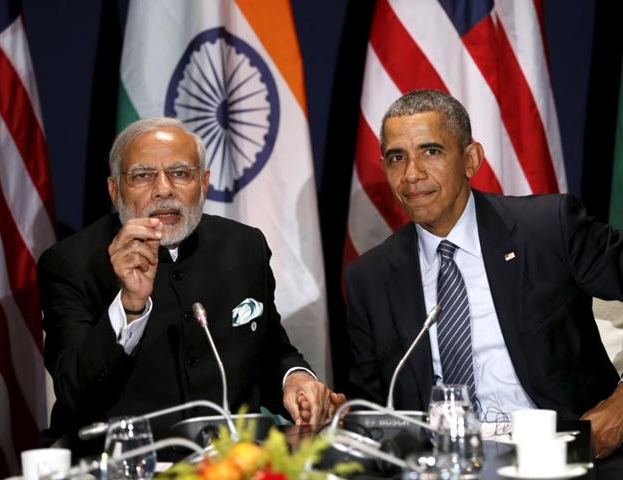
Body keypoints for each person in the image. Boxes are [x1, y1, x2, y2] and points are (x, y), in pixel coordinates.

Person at [345, 90, 623, 463]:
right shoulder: (370, 278)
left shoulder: (548, 229)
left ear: (471, 159)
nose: (412, 174)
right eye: (397, 157)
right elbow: (377, 411)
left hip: (570, 459)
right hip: (444, 466)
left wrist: (620, 408)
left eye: (431, 151)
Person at [39, 117, 344, 453]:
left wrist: (295, 380)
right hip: (124, 464)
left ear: (204, 182)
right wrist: (128, 304)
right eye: (142, 175)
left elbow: (270, 351)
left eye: (181, 173)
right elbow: (74, 390)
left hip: (232, 463)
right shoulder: (71, 262)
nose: (164, 189)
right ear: (115, 190)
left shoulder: (243, 246)